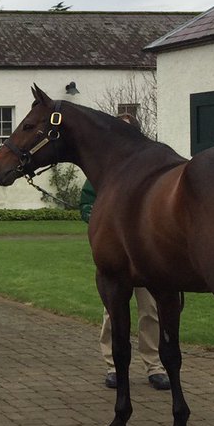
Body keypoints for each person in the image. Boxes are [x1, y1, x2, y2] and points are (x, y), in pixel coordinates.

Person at [79, 112, 170, 391]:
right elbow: (86, 205)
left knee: (151, 310)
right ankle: (113, 366)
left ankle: (154, 365)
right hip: (116, 253)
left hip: (145, 253)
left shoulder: (151, 168)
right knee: (112, 310)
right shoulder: (103, 171)